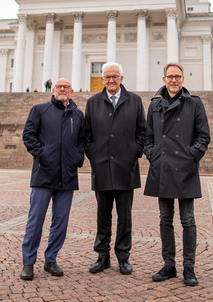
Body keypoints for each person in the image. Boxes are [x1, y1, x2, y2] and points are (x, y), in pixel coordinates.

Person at [144, 62, 210, 287]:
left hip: (185, 169)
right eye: (170, 76)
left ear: (183, 79)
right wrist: (153, 154)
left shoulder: (194, 103)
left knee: (188, 219)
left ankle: (189, 267)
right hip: (162, 167)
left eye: (178, 77)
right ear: (164, 79)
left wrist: (191, 156)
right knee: (165, 219)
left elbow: (203, 136)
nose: (174, 80)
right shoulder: (154, 105)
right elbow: (148, 136)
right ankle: (169, 265)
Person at [20, 78, 85, 281]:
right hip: (44, 174)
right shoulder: (39, 110)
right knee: (35, 220)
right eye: (59, 87)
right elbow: (28, 135)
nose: (63, 90)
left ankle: (51, 259)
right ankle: (28, 262)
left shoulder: (78, 115)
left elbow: (82, 140)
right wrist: (43, 155)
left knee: (60, 222)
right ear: (53, 89)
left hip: (67, 175)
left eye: (66, 87)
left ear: (72, 91)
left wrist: (77, 158)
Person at [85, 62, 146, 275]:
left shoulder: (135, 101)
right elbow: (87, 135)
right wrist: (93, 154)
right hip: (101, 166)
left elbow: (142, 131)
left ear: (121, 78)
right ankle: (102, 257)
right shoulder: (93, 102)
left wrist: (134, 152)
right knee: (103, 216)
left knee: (125, 217)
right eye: (107, 77)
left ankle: (123, 257)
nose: (111, 80)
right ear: (102, 79)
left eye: (115, 76)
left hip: (126, 167)